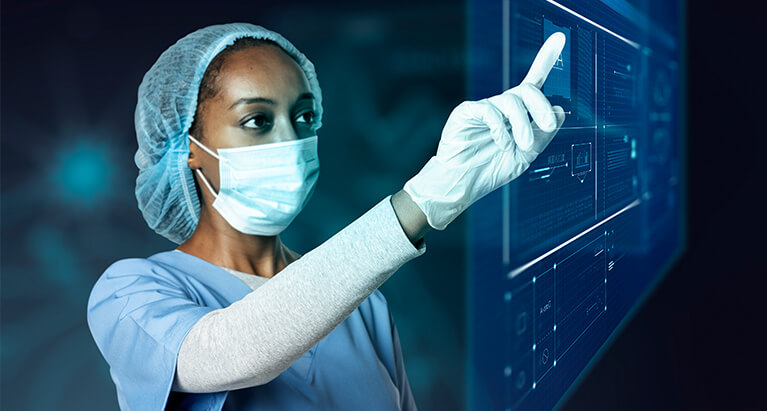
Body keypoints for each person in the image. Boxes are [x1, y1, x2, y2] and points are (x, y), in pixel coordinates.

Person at [86, 22, 565, 410]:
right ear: (189, 149)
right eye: (257, 120)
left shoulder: (362, 304)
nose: (290, 142)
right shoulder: (131, 292)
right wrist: (423, 200)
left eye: (303, 117)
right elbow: (227, 351)